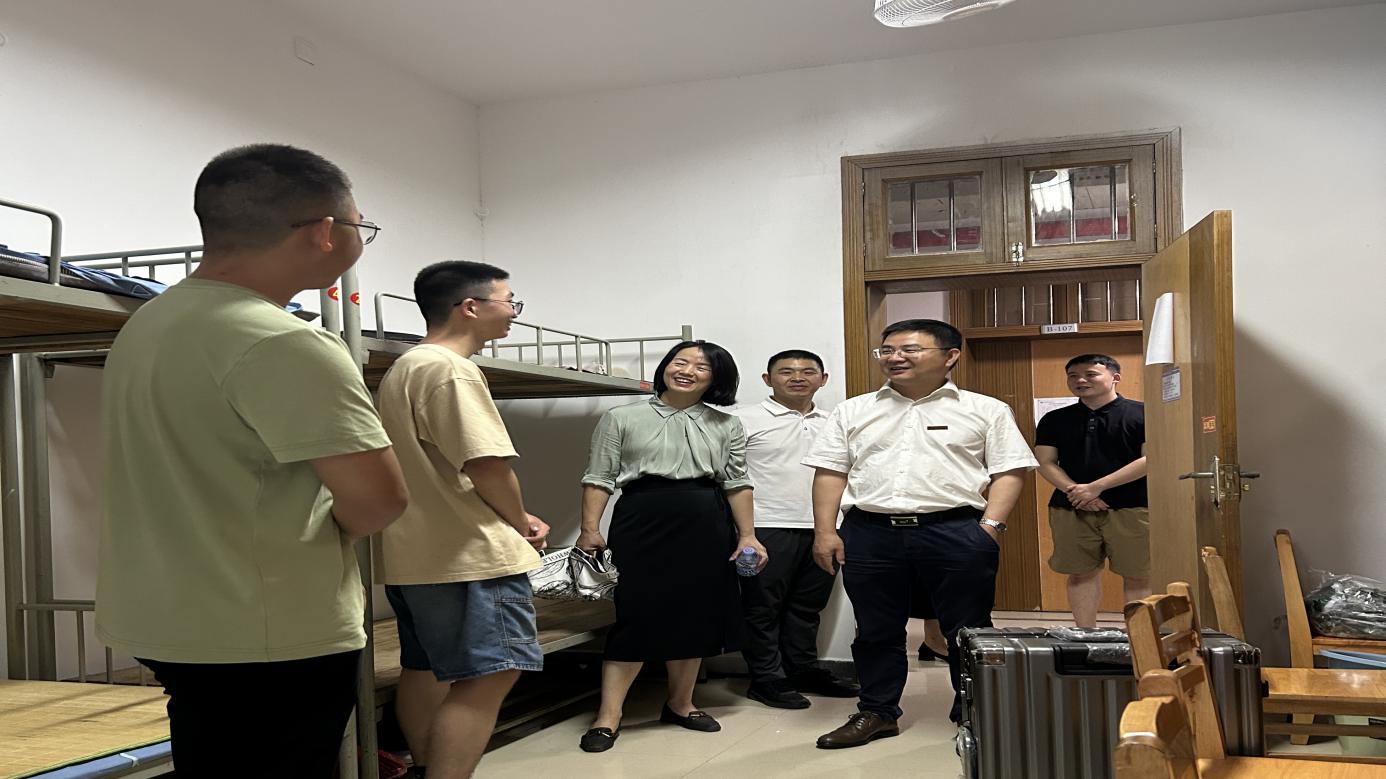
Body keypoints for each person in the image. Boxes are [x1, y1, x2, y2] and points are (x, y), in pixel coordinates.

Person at [98, 144, 410, 777]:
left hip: (173, 616)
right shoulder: (284, 340)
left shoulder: (150, 324)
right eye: (362, 226)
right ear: (324, 231)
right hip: (267, 627)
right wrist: (330, 527)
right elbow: (379, 500)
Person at [804, 318, 1038, 748]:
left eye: (909, 349)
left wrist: (990, 527)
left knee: (967, 629)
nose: (895, 357)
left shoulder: (985, 409)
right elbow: (831, 472)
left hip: (955, 530)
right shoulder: (854, 410)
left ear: (950, 356)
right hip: (870, 532)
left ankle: (975, 713)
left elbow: (1010, 470)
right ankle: (877, 712)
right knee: (874, 629)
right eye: (887, 350)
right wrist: (825, 532)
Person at [375, 261, 550, 778]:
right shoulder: (451, 369)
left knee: (424, 667)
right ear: (470, 307)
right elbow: (485, 464)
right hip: (468, 554)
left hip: (417, 553)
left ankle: (427, 766)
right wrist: (519, 522)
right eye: (510, 301)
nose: (514, 313)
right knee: (494, 673)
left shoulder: (406, 367)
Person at [575, 340, 767, 753]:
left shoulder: (726, 424)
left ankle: (681, 704)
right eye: (681, 362)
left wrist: (747, 535)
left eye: (701, 367)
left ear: (716, 378)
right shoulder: (621, 417)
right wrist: (589, 529)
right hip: (642, 519)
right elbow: (598, 477)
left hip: (707, 523)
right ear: (666, 366)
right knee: (636, 615)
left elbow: (737, 482)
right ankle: (608, 716)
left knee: (696, 614)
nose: (688, 370)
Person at [733, 350, 858, 709]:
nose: (797, 377)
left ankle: (801, 670)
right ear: (767, 379)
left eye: (807, 371)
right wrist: (742, 531)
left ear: (823, 379)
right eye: (786, 371)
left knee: (808, 606)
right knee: (761, 607)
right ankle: (766, 679)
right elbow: (729, 476)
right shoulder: (742, 419)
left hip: (825, 529)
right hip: (763, 528)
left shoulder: (836, 421)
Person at [1034, 354, 1149, 629]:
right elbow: (1045, 461)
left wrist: (1096, 488)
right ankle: (1086, 634)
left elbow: (1150, 460)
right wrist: (1077, 492)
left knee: (1138, 575)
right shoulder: (1054, 419)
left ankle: (1141, 639)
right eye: (1073, 376)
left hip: (1132, 506)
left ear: (1115, 378)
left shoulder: (1143, 413)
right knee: (1080, 573)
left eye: (1090, 374)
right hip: (1071, 507)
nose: (1080, 380)